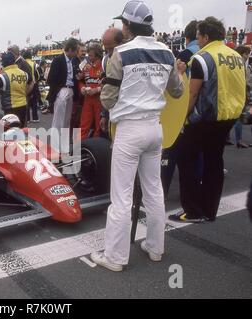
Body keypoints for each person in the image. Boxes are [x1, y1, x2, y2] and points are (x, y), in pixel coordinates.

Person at [92, 1, 186, 272]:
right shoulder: (167, 52)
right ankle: (156, 248)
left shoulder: (120, 53)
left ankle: (116, 257)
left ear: (127, 25)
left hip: (130, 129)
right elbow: (177, 92)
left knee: (121, 196)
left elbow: (108, 100)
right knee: (154, 190)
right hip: (155, 128)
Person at [169, 17, 246, 223]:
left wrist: (182, 118)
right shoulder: (236, 56)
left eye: (199, 37)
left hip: (204, 118)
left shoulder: (201, 58)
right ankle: (209, 210)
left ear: (205, 36)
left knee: (187, 160)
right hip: (228, 117)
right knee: (214, 161)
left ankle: (192, 211)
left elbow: (192, 94)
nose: (198, 41)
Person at [161, 20, 200, 197]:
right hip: (202, 110)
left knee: (171, 151)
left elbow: (176, 87)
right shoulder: (206, 53)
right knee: (195, 151)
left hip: (182, 107)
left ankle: (163, 189)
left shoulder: (186, 54)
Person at [0, 52, 33, 127]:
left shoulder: (2, 77)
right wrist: (25, 93)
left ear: (3, 62)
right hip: (23, 105)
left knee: (10, 133)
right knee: (22, 129)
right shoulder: (24, 73)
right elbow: (32, 82)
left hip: (10, 109)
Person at [47, 38, 80, 131]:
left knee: (66, 121)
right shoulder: (58, 60)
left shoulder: (72, 61)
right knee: (58, 121)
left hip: (70, 90)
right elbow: (50, 79)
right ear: (70, 49)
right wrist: (58, 91)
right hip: (62, 91)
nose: (77, 53)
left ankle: (63, 143)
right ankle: (55, 144)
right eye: (76, 51)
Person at [100, 28, 124, 135]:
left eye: (112, 49)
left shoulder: (128, 57)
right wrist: (104, 115)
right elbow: (109, 89)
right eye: (107, 50)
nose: (110, 53)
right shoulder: (106, 60)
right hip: (114, 111)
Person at [79, 43, 103, 140]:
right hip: (87, 99)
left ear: (97, 55)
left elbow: (109, 84)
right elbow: (79, 80)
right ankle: (78, 148)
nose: (88, 57)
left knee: (99, 126)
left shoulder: (104, 65)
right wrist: (82, 88)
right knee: (83, 124)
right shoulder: (85, 66)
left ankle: (95, 149)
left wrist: (96, 90)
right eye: (88, 55)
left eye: (91, 55)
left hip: (100, 100)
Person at [23, 50, 41, 123]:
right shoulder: (34, 64)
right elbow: (38, 75)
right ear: (30, 56)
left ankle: (27, 119)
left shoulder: (22, 63)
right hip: (33, 85)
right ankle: (35, 118)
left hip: (25, 85)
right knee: (34, 102)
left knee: (26, 101)